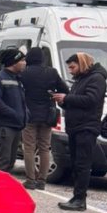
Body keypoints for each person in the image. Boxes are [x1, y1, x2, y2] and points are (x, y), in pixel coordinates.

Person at [54, 53, 107, 211]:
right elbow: (77, 101)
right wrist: (63, 101)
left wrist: (67, 98)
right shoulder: (81, 79)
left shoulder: (96, 79)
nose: (70, 71)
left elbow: (91, 100)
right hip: (75, 127)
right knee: (77, 164)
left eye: (72, 67)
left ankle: (80, 198)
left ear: (82, 64)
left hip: (86, 127)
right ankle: (77, 196)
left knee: (83, 164)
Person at [19, 49, 69, 189]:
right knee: (44, 148)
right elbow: (65, 89)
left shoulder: (24, 72)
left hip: (29, 114)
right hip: (47, 115)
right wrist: (52, 94)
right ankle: (42, 181)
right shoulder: (51, 72)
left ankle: (30, 180)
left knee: (29, 148)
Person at [0, 49, 29, 173]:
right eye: (22, 60)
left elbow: (21, 101)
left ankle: (2, 189)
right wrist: (13, 114)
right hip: (4, 127)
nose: (25, 63)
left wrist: (26, 114)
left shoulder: (18, 79)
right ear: (13, 62)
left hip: (16, 126)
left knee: (10, 162)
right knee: (2, 161)